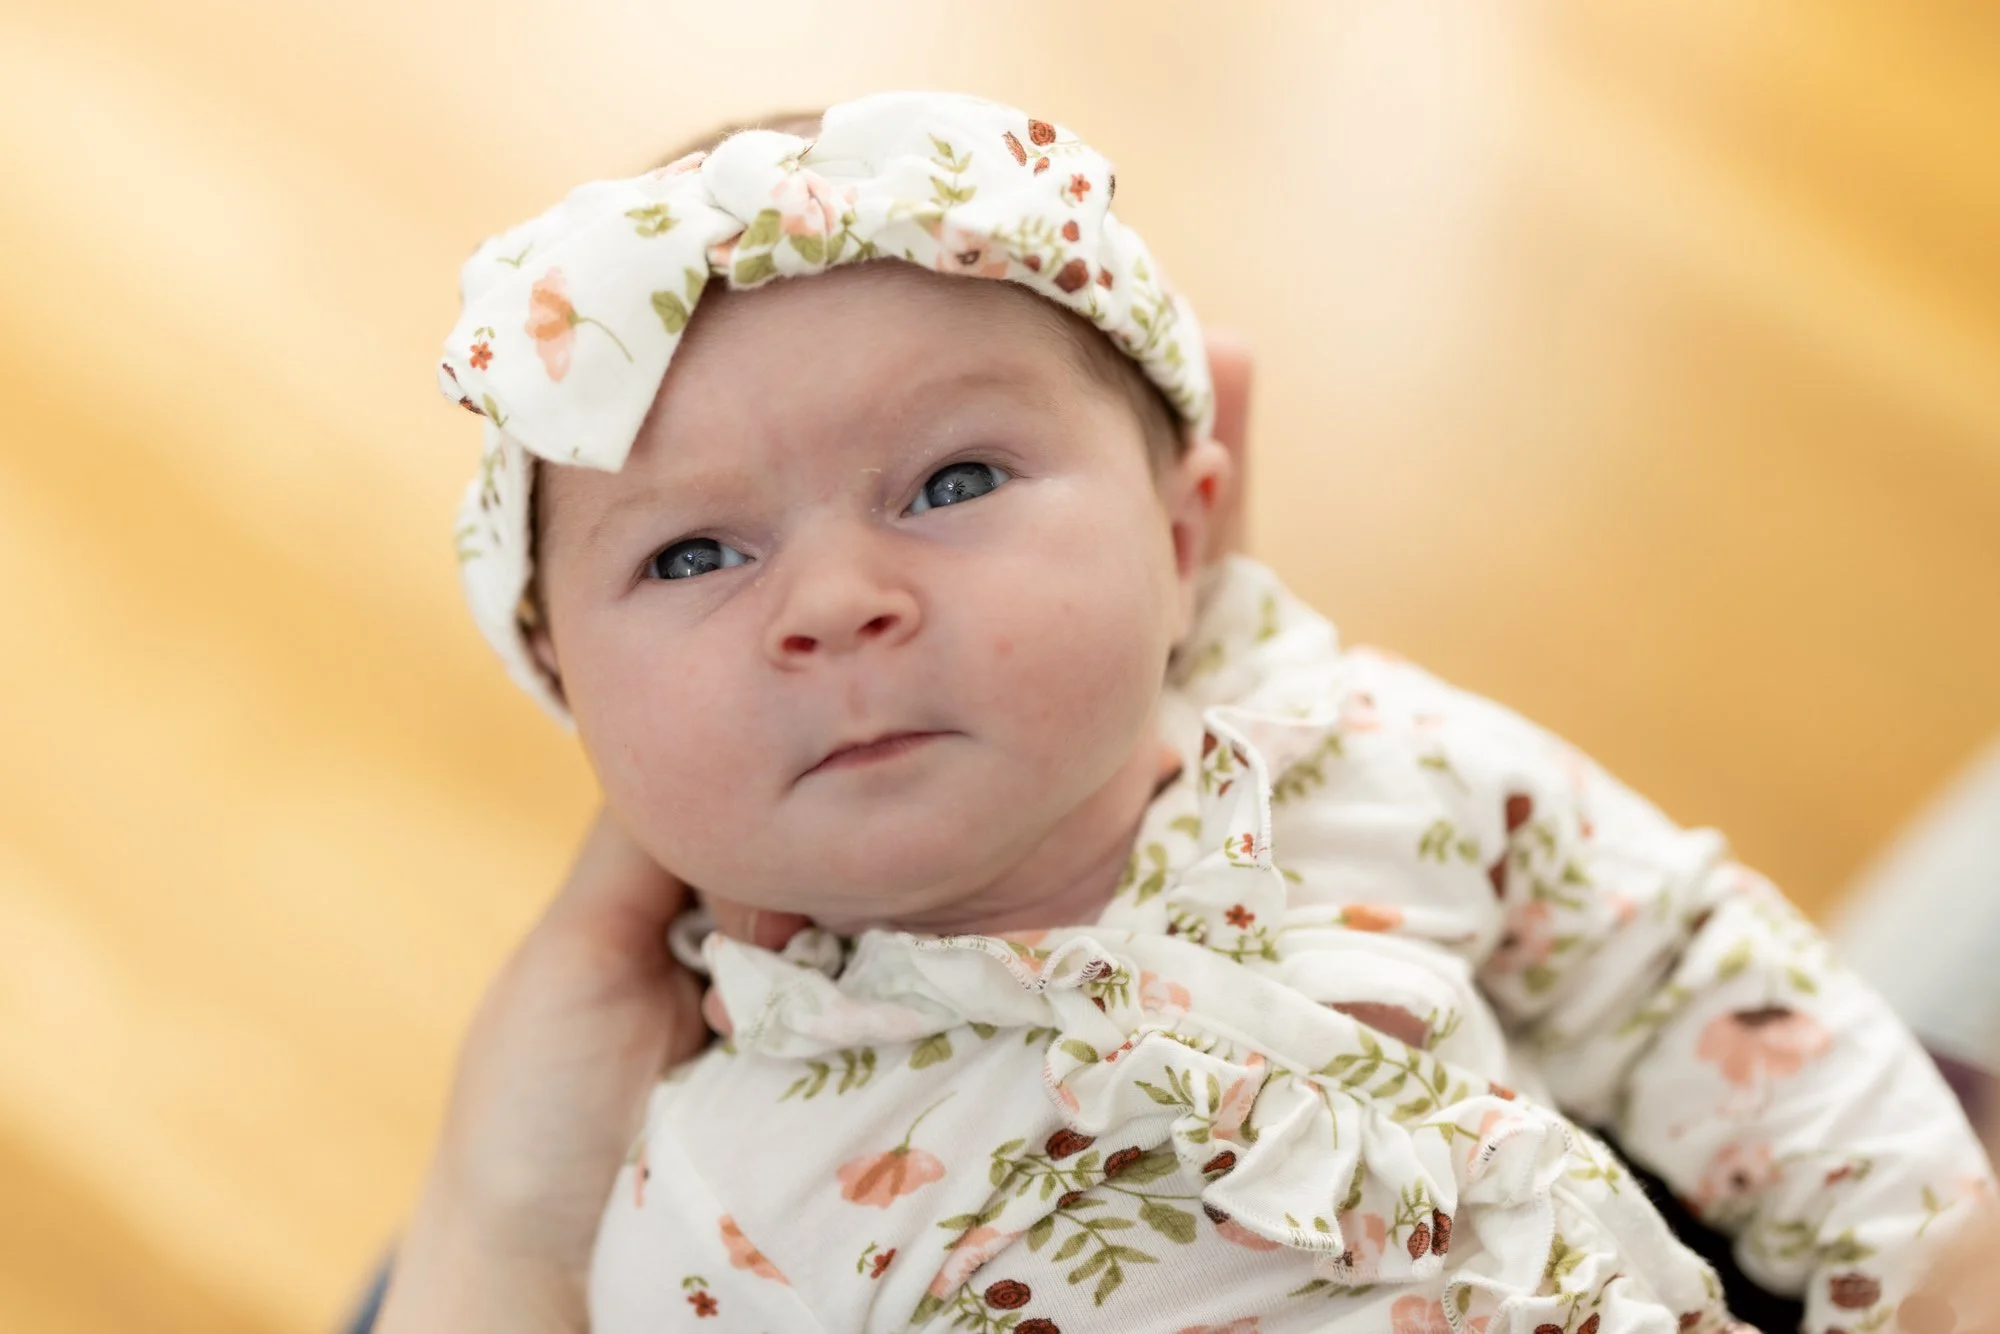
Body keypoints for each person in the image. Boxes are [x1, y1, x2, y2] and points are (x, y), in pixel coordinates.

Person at [380, 92, 1991, 1332]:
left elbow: (1678, 961)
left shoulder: (1355, 755)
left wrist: (1919, 1253)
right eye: (694, 552)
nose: (832, 601)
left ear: (1180, 530)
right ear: (570, 699)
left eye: (953, 478)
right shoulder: (724, 1198)